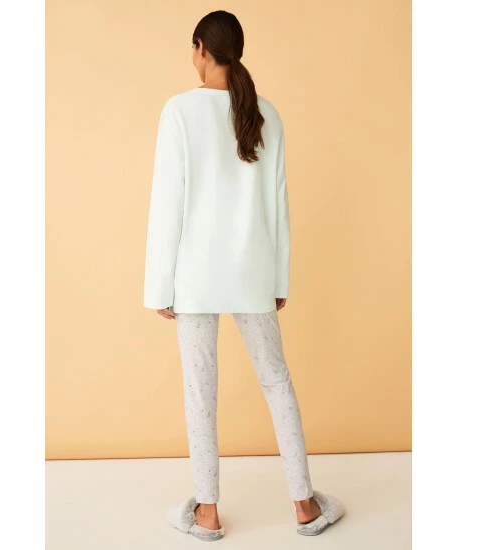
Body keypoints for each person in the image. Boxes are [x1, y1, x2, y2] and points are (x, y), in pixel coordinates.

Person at [143, 10, 345, 541]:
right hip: (252, 272)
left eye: (193, 50)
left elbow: (168, 204)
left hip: (195, 278)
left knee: (199, 391)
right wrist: (278, 281)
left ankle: (207, 514)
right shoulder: (266, 112)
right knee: (276, 381)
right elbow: (279, 207)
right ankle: (305, 506)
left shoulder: (179, 111)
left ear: (201, 48)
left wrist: (160, 285)